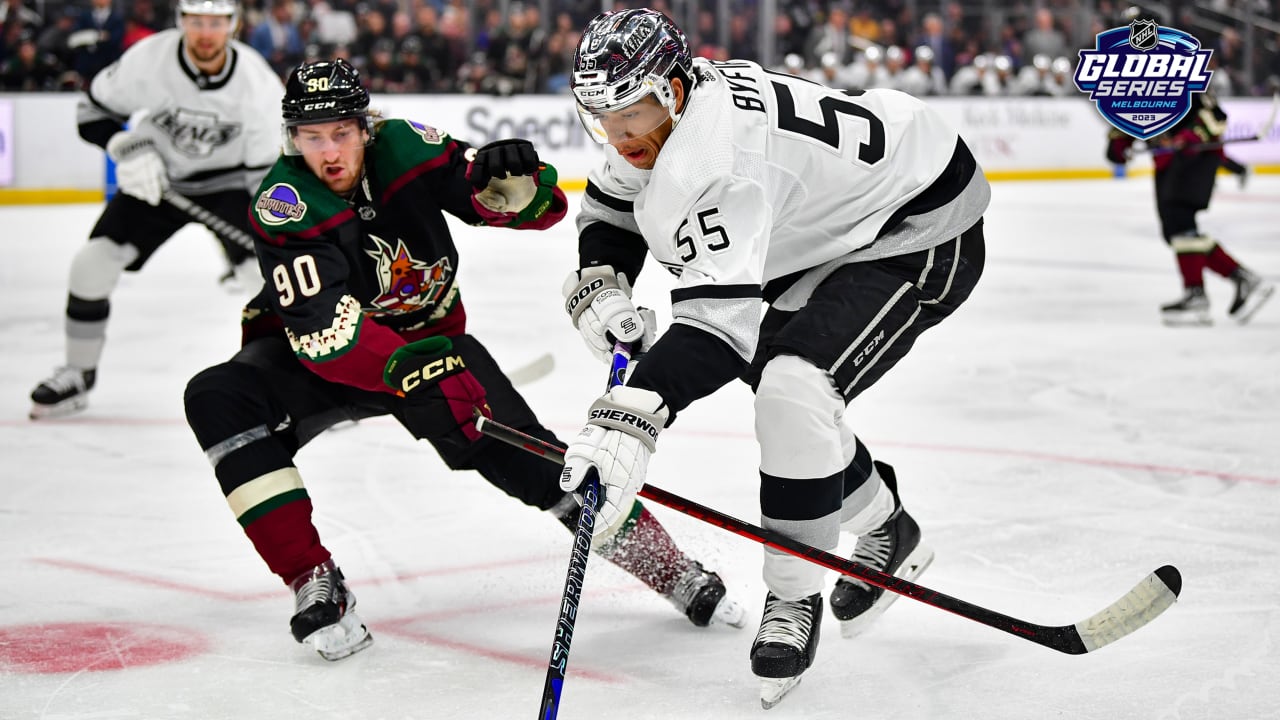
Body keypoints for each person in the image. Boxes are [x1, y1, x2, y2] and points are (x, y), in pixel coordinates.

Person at [182, 58, 745, 662]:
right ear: (291, 139)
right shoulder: (283, 203)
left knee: (543, 466)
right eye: (312, 137)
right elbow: (327, 333)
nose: (330, 152)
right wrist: (410, 371)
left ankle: (668, 568)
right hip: (317, 361)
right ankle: (310, 578)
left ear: (366, 127)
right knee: (217, 396)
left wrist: (518, 188)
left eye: (342, 131)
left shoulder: (402, 146)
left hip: (436, 344)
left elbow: (524, 206)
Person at [557, 8, 989, 708]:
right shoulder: (660, 114)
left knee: (792, 388)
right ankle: (886, 526)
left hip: (913, 219)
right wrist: (602, 280)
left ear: (671, 90)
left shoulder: (723, 160)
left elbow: (718, 329)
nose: (617, 134)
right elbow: (612, 209)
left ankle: (793, 595)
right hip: (820, 230)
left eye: (630, 113)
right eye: (602, 117)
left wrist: (630, 417)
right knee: (792, 403)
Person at [29, 0, 283, 420]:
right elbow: (91, 112)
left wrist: (266, 235)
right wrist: (126, 146)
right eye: (196, 21)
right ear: (181, 21)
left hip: (231, 185)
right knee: (91, 265)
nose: (206, 33)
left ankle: (294, 380)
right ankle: (78, 372)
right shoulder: (149, 59)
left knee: (267, 280)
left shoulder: (257, 84)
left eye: (216, 23)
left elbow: (264, 176)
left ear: (233, 26)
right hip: (158, 181)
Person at [1107, 90, 1274, 325]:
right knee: (1174, 231)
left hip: (1196, 157)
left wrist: (1189, 137)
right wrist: (1119, 143)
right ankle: (1242, 278)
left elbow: (1215, 118)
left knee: (1180, 223)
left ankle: (1197, 294)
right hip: (1167, 160)